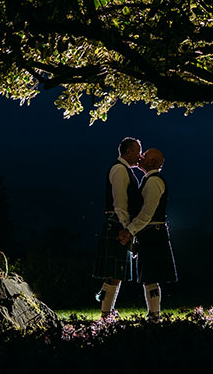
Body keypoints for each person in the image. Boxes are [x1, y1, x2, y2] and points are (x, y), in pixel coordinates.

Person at [117, 147, 177, 319]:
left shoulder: (153, 182)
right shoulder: (149, 180)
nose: (140, 157)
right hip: (151, 233)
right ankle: (154, 314)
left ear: (151, 162)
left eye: (144, 156)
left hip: (153, 234)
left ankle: (154, 316)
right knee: (149, 277)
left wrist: (129, 231)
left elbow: (147, 213)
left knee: (150, 276)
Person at [92, 136, 142, 319]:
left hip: (118, 223)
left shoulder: (124, 169)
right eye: (138, 151)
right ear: (128, 152)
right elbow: (120, 202)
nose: (140, 155)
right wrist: (126, 229)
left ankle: (107, 312)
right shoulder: (120, 170)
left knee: (115, 273)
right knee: (114, 273)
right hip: (117, 223)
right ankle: (106, 315)